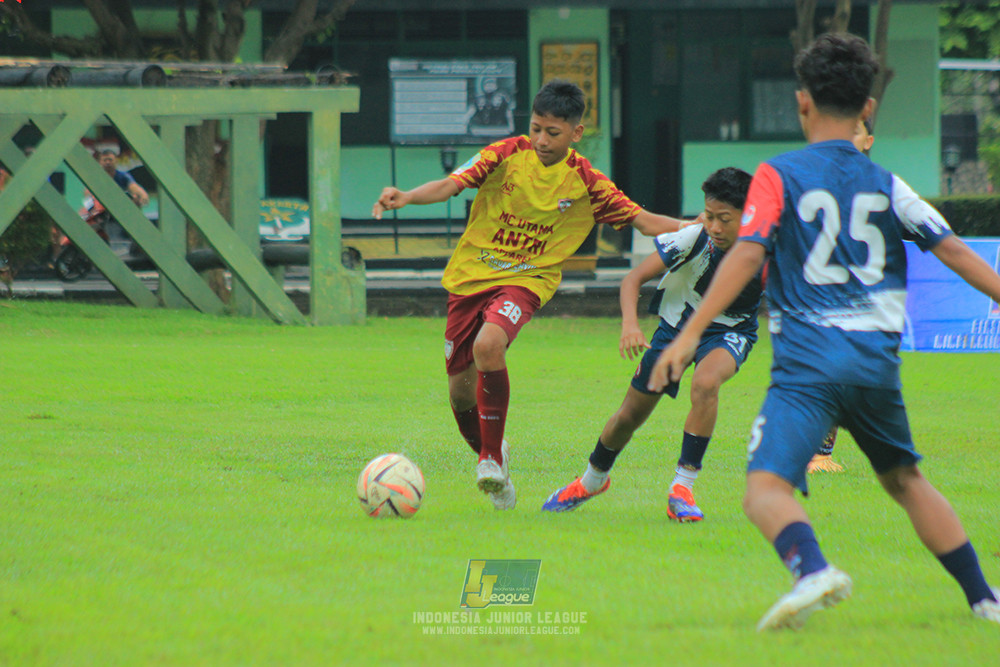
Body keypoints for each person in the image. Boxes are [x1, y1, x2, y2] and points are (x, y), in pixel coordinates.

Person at [648, 33, 1000, 630]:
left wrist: (688, 335)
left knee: (764, 490)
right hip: (875, 363)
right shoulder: (889, 184)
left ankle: (812, 570)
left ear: (802, 102)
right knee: (906, 480)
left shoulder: (777, 176)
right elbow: (957, 252)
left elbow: (745, 256)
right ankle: (984, 599)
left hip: (808, 367)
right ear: (868, 108)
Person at [372, 79, 685, 510]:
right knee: (460, 394)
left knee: (489, 344)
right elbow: (452, 184)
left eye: (552, 133)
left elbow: (645, 221)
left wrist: (704, 227)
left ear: (576, 132)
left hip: (527, 279)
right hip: (470, 276)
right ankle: (496, 459)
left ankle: (488, 459)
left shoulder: (586, 182)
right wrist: (406, 197)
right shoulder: (505, 154)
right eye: (536, 127)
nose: (540, 139)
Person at [541, 167, 760, 521]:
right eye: (710, 216)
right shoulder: (694, 237)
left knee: (706, 383)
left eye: (725, 219)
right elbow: (633, 279)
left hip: (729, 331)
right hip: (675, 328)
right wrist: (630, 324)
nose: (715, 227)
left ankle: (682, 488)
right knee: (628, 417)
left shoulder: (766, 249)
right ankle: (592, 480)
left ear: (748, 215)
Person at [807, 116, 873, 475]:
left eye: (855, 132)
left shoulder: (882, 188)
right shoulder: (814, 182)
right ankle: (817, 452)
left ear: (868, 141)